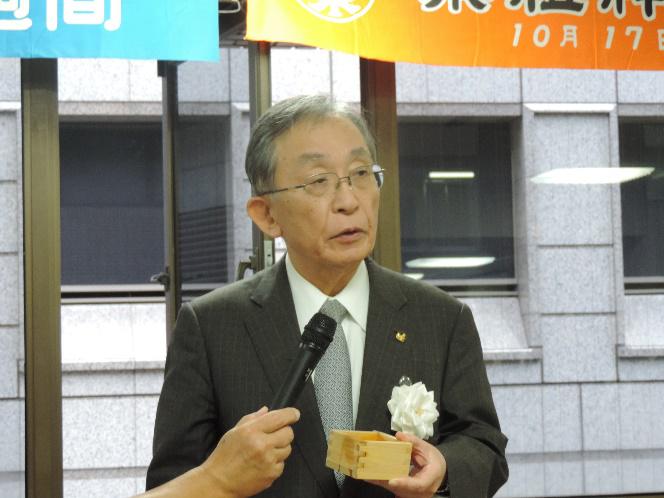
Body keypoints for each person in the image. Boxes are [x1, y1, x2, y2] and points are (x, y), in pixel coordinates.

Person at [146, 95, 508, 498]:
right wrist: (221, 476)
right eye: (319, 181)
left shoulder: (441, 318)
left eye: (361, 173)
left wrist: (443, 468)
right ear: (267, 215)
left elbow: (484, 445)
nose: (349, 201)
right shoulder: (211, 327)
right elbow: (171, 483)